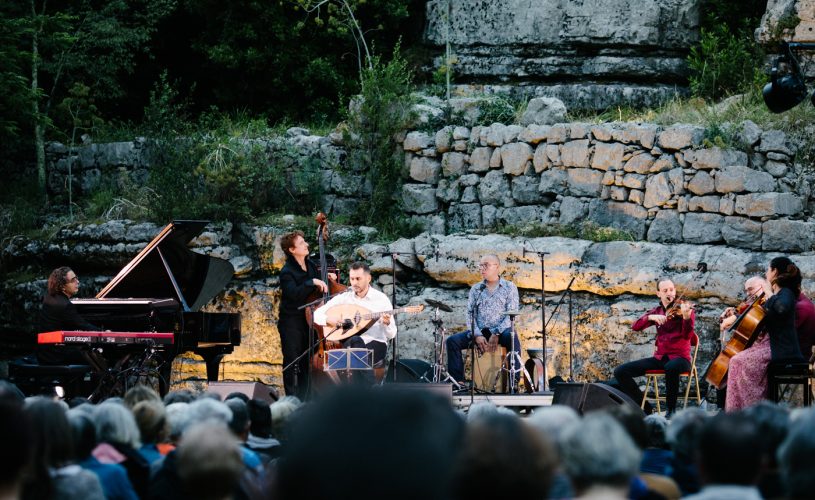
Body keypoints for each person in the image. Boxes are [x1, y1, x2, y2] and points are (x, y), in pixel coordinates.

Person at [726, 256, 806, 411]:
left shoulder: (786, 293)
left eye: (768, 270)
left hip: (781, 348)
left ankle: (752, 411)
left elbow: (782, 308)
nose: (766, 273)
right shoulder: (780, 293)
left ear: (774, 271)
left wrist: (769, 292)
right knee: (736, 360)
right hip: (771, 345)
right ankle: (739, 411)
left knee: (738, 361)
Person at [613, 279, 695, 419]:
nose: (670, 293)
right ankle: (644, 408)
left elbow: (688, 336)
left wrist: (686, 317)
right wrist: (650, 317)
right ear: (658, 294)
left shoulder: (684, 309)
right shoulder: (656, 311)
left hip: (681, 359)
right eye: (665, 291)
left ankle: (671, 410)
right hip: (660, 358)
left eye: (671, 289)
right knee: (620, 371)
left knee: (671, 367)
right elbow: (635, 326)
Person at [445, 254, 521, 387]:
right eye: (480, 265)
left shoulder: (509, 287)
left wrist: (496, 333)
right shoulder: (476, 289)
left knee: (512, 338)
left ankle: (513, 381)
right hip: (480, 331)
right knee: (452, 341)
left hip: (501, 332)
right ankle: (458, 382)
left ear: (497, 267)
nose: (482, 268)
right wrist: (477, 334)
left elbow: (511, 315)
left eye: (486, 265)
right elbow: (470, 314)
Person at [313, 261, 396, 375]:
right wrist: (329, 319)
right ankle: (365, 389)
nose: (354, 283)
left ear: (368, 278)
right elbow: (316, 314)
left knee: (355, 343)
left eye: (358, 279)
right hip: (349, 343)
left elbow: (391, 335)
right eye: (352, 279)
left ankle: (356, 389)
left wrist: (387, 324)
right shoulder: (345, 297)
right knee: (352, 344)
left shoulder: (381, 299)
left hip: (376, 343)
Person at [277, 230, 330, 399]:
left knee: (308, 363)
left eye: (305, 241)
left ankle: (307, 400)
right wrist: (311, 282)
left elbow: (319, 290)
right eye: (301, 243)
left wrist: (328, 279)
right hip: (291, 323)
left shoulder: (312, 266)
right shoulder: (287, 272)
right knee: (292, 362)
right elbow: (293, 293)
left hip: (310, 322)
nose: (306, 244)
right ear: (292, 250)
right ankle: (292, 399)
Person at [715, 276, 772, 408]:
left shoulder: (768, 302)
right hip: (753, 345)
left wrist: (736, 317)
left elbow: (757, 316)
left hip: (764, 346)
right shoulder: (754, 304)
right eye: (746, 290)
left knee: (734, 360)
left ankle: (744, 405)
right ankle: (724, 406)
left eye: (751, 289)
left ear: (762, 287)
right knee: (722, 360)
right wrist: (733, 312)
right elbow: (746, 314)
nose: (748, 294)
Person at [38, 266, 101, 365]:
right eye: (73, 280)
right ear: (62, 286)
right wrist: (103, 332)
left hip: (45, 352)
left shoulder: (49, 298)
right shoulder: (65, 305)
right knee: (93, 354)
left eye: (77, 278)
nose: (78, 282)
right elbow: (82, 325)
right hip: (57, 355)